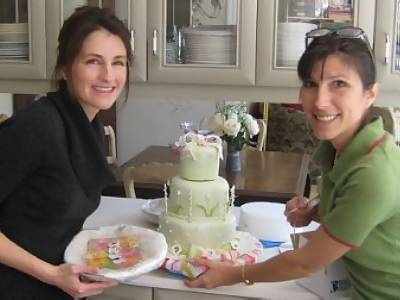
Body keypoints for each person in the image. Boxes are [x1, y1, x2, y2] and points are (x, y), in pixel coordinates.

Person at [185, 26, 400, 299]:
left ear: (370, 94)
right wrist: (316, 210)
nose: (320, 102)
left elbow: (305, 262)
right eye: (311, 84)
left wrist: (232, 275)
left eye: (339, 84)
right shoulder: (343, 148)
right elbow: (363, 215)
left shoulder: (375, 172)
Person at [0, 6, 132, 299]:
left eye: (118, 62)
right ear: (64, 67)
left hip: (58, 286)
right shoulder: (37, 127)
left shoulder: (87, 124)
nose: (108, 75)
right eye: (93, 61)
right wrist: (50, 273)